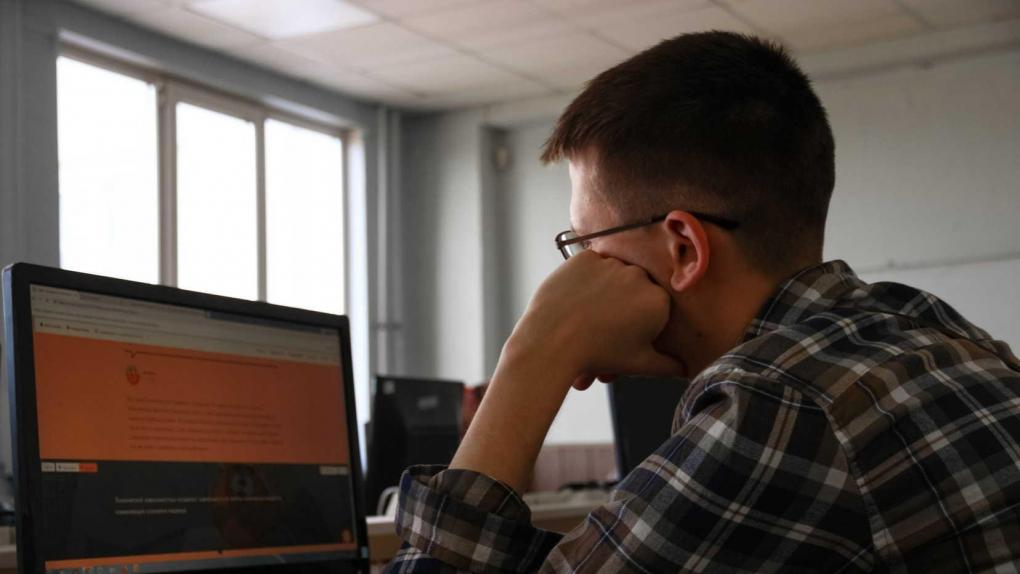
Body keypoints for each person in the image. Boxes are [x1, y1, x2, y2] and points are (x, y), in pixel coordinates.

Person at [386, 31, 1020, 572]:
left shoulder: (778, 405)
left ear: (684, 249)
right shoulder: (936, 330)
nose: (579, 271)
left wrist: (531, 356)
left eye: (587, 243)